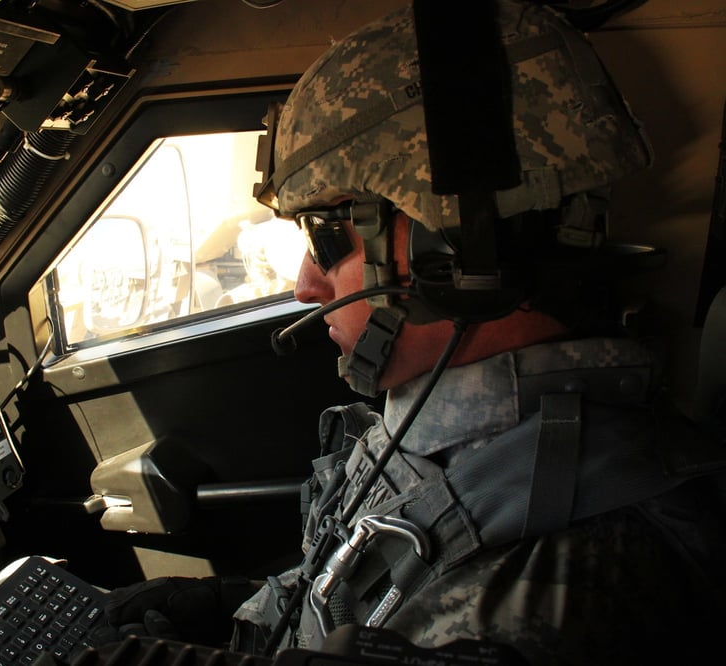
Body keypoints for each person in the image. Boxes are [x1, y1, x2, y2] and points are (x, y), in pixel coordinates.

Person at [103, 2, 726, 664]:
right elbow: (365, 580)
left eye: (324, 237)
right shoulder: (452, 420)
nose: (304, 287)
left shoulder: (564, 583)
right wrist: (238, 610)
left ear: (453, 252)